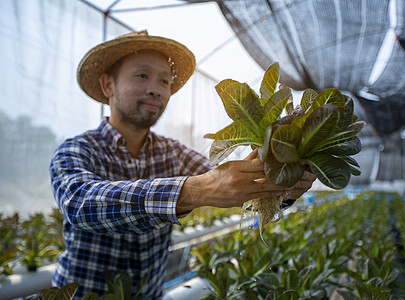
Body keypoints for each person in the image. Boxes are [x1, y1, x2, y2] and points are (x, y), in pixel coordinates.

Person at [50, 30, 316, 298]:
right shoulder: (77, 149)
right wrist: (197, 190)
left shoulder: (172, 152)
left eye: (164, 81)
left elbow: (225, 179)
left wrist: (280, 185)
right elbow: (79, 203)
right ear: (108, 85)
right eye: (142, 76)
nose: (156, 89)